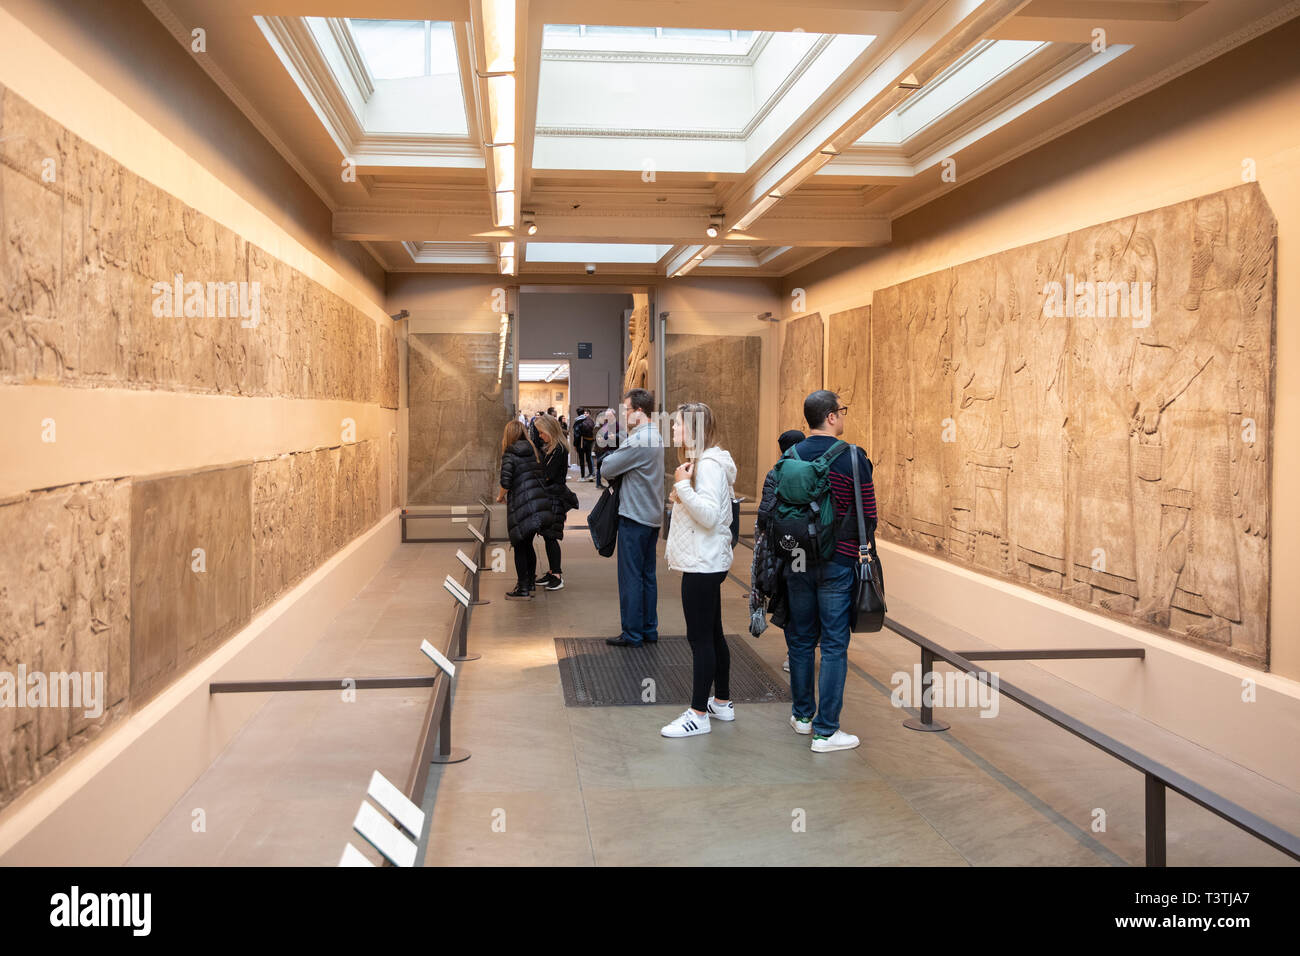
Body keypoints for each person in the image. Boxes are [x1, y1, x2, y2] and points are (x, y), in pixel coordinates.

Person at [781, 390, 876, 753]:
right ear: (832, 417)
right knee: (834, 644)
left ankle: (802, 717)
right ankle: (826, 731)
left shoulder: (790, 455)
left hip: (796, 561)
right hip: (838, 561)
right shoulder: (853, 457)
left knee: (801, 639)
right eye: (842, 410)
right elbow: (869, 513)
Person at [660, 403, 737, 738]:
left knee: (700, 638)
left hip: (702, 563)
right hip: (705, 560)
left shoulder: (706, 466)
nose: (673, 431)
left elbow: (707, 515)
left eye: (677, 426)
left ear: (691, 428)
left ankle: (698, 713)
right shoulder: (706, 464)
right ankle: (721, 701)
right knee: (714, 633)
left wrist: (683, 487)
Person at [598, 389, 664, 647]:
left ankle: (632, 633)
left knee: (631, 578)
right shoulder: (654, 436)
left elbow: (607, 467)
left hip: (634, 517)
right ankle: (649, 629)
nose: (624, 415)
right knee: (647, 576)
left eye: (626, 410)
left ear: (638, 411)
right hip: (651, 517)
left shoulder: (639, 440)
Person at [754, 429, 806, 672]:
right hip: (811, 546)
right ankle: (809, 644)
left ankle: (792, 654)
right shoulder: (814, 468)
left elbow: (765, 512)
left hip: (784, 546)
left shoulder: (776, 471)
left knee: (787, 598)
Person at [497, 420, 559, 600]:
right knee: (527, 544)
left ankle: (523, 588)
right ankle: (530, 581)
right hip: (537, 504)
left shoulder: (510, 453)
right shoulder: (533, 450)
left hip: (521, 505)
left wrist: (500, 497)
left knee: (519, 546)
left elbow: (505, 482)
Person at [534, 413, 576, 591]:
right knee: (548, 535)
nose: (540, 436)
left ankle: (557, 575)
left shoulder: (558, 449)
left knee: (551, 536)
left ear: (550, 431)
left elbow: (549, 474)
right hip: (551, 496)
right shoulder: (553, 447)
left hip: (555, 497)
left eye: (542, 432)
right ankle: (552, 571)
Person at [573, 408, 596, 480]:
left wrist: (575, 444)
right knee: (589, 458)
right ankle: (591, 474)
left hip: (581, 442)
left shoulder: (578, 421)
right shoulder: (589, 420)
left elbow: (576, 434)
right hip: (589, 441)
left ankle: (582, 477)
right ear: (583, 412)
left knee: (581, 459)